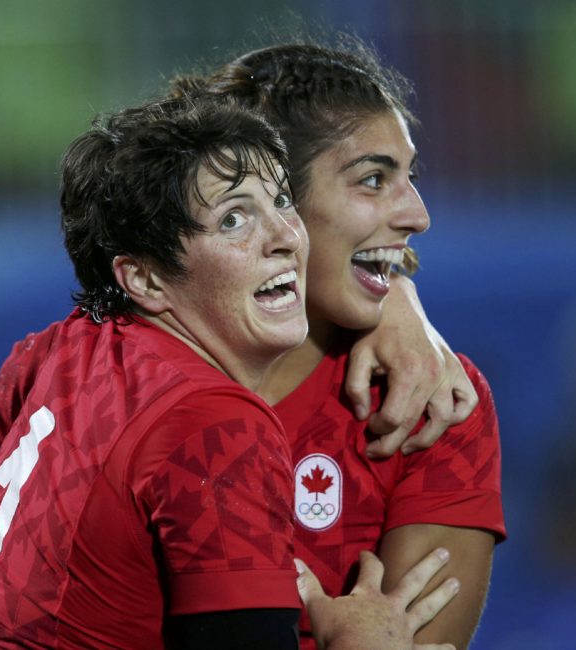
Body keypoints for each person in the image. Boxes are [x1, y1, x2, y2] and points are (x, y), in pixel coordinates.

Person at [0, 40, 477, 650]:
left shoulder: (67, 348)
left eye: (279, 201)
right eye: (234, 217)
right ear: (143, 276)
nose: (283, 235)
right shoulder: (217, 424)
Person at [167, 38, 506, 650]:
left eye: (410, 176)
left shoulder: (431, 401)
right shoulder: (111, 370)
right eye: (373, 179)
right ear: (276, 200)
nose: (418, 214)